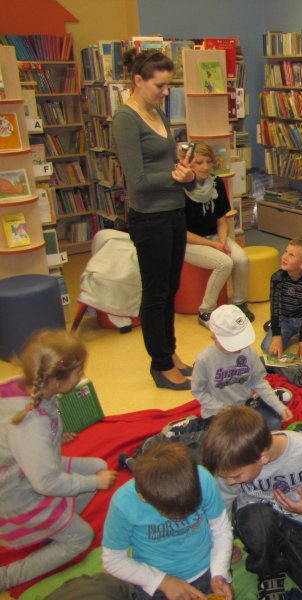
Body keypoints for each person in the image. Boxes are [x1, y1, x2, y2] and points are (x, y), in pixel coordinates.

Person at [0, 330, 117, 590]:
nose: (82, 376)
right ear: (55, 381)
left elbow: (21, 440)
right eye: (79, 372)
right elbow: (44, 482)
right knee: (81, 537)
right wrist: (93, 483)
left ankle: (57, 521)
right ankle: (6, 577)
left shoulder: (28, 385)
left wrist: (54, 437)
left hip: (28, 468)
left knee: (98, 466)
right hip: (20, 492)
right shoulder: (32, 424)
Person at [201, 406, 302, 600]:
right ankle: (268, 572)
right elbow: (222, 506)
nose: (230, 482)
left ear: (263, 457)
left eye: (236, 476)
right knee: (257, 519)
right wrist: (227, 544)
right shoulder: (231, 463)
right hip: (258, 522)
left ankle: (286, 558)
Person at [111, 49, 196, 391]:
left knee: (170, 288)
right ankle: (160, 365)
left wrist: (184, 171)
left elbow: (164, 161)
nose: (165, 92)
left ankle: (170, 351)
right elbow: (138, 180)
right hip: (149, 218)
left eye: (168, 85)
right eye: (159, 85)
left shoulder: (156, 111)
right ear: (137, 81)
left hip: (173, 211)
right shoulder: (125, 119)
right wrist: (176, 176)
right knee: (156, 292)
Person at [102, 442, 233, 600]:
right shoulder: (123, 503)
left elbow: (221, 529)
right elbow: (113, 560)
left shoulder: (202, 479)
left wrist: (219, 572)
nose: (183, 519)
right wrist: (162, 581)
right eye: (173, 516)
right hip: (156, 581)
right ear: (143, 497)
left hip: (207, 571)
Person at [183, 141, 254, 327]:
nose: (205, 167)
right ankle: (206, 310)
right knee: (224, 263)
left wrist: (222, 241)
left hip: (214, 236)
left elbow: (221, 221)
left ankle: (239, 303)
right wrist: (215, 246)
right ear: (188, 164)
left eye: (209, 161)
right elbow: (182, 233)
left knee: (242, 259)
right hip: (189, 243)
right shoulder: (179, 189)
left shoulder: (216, 183)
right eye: (199, 162)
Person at [193, 304, 292, 431]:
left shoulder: (249, 352)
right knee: (228, 437)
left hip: (245, 407)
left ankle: (262, 401)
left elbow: (259, 382)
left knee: (273, 424)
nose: (239, 348)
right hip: (218, 413)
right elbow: (199, 391)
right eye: (233, 343)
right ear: (214, 337)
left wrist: (278, 406)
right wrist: (222, 408)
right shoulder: (204, 359)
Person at [260, 237, 302, 360]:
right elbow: (275, 306)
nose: (284, 257)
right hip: (284, 319)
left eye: (291, 255)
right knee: (268, 349)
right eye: (285, 252)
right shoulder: (277, 277)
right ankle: (279, 330)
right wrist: (276, 335)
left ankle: (300, 334)